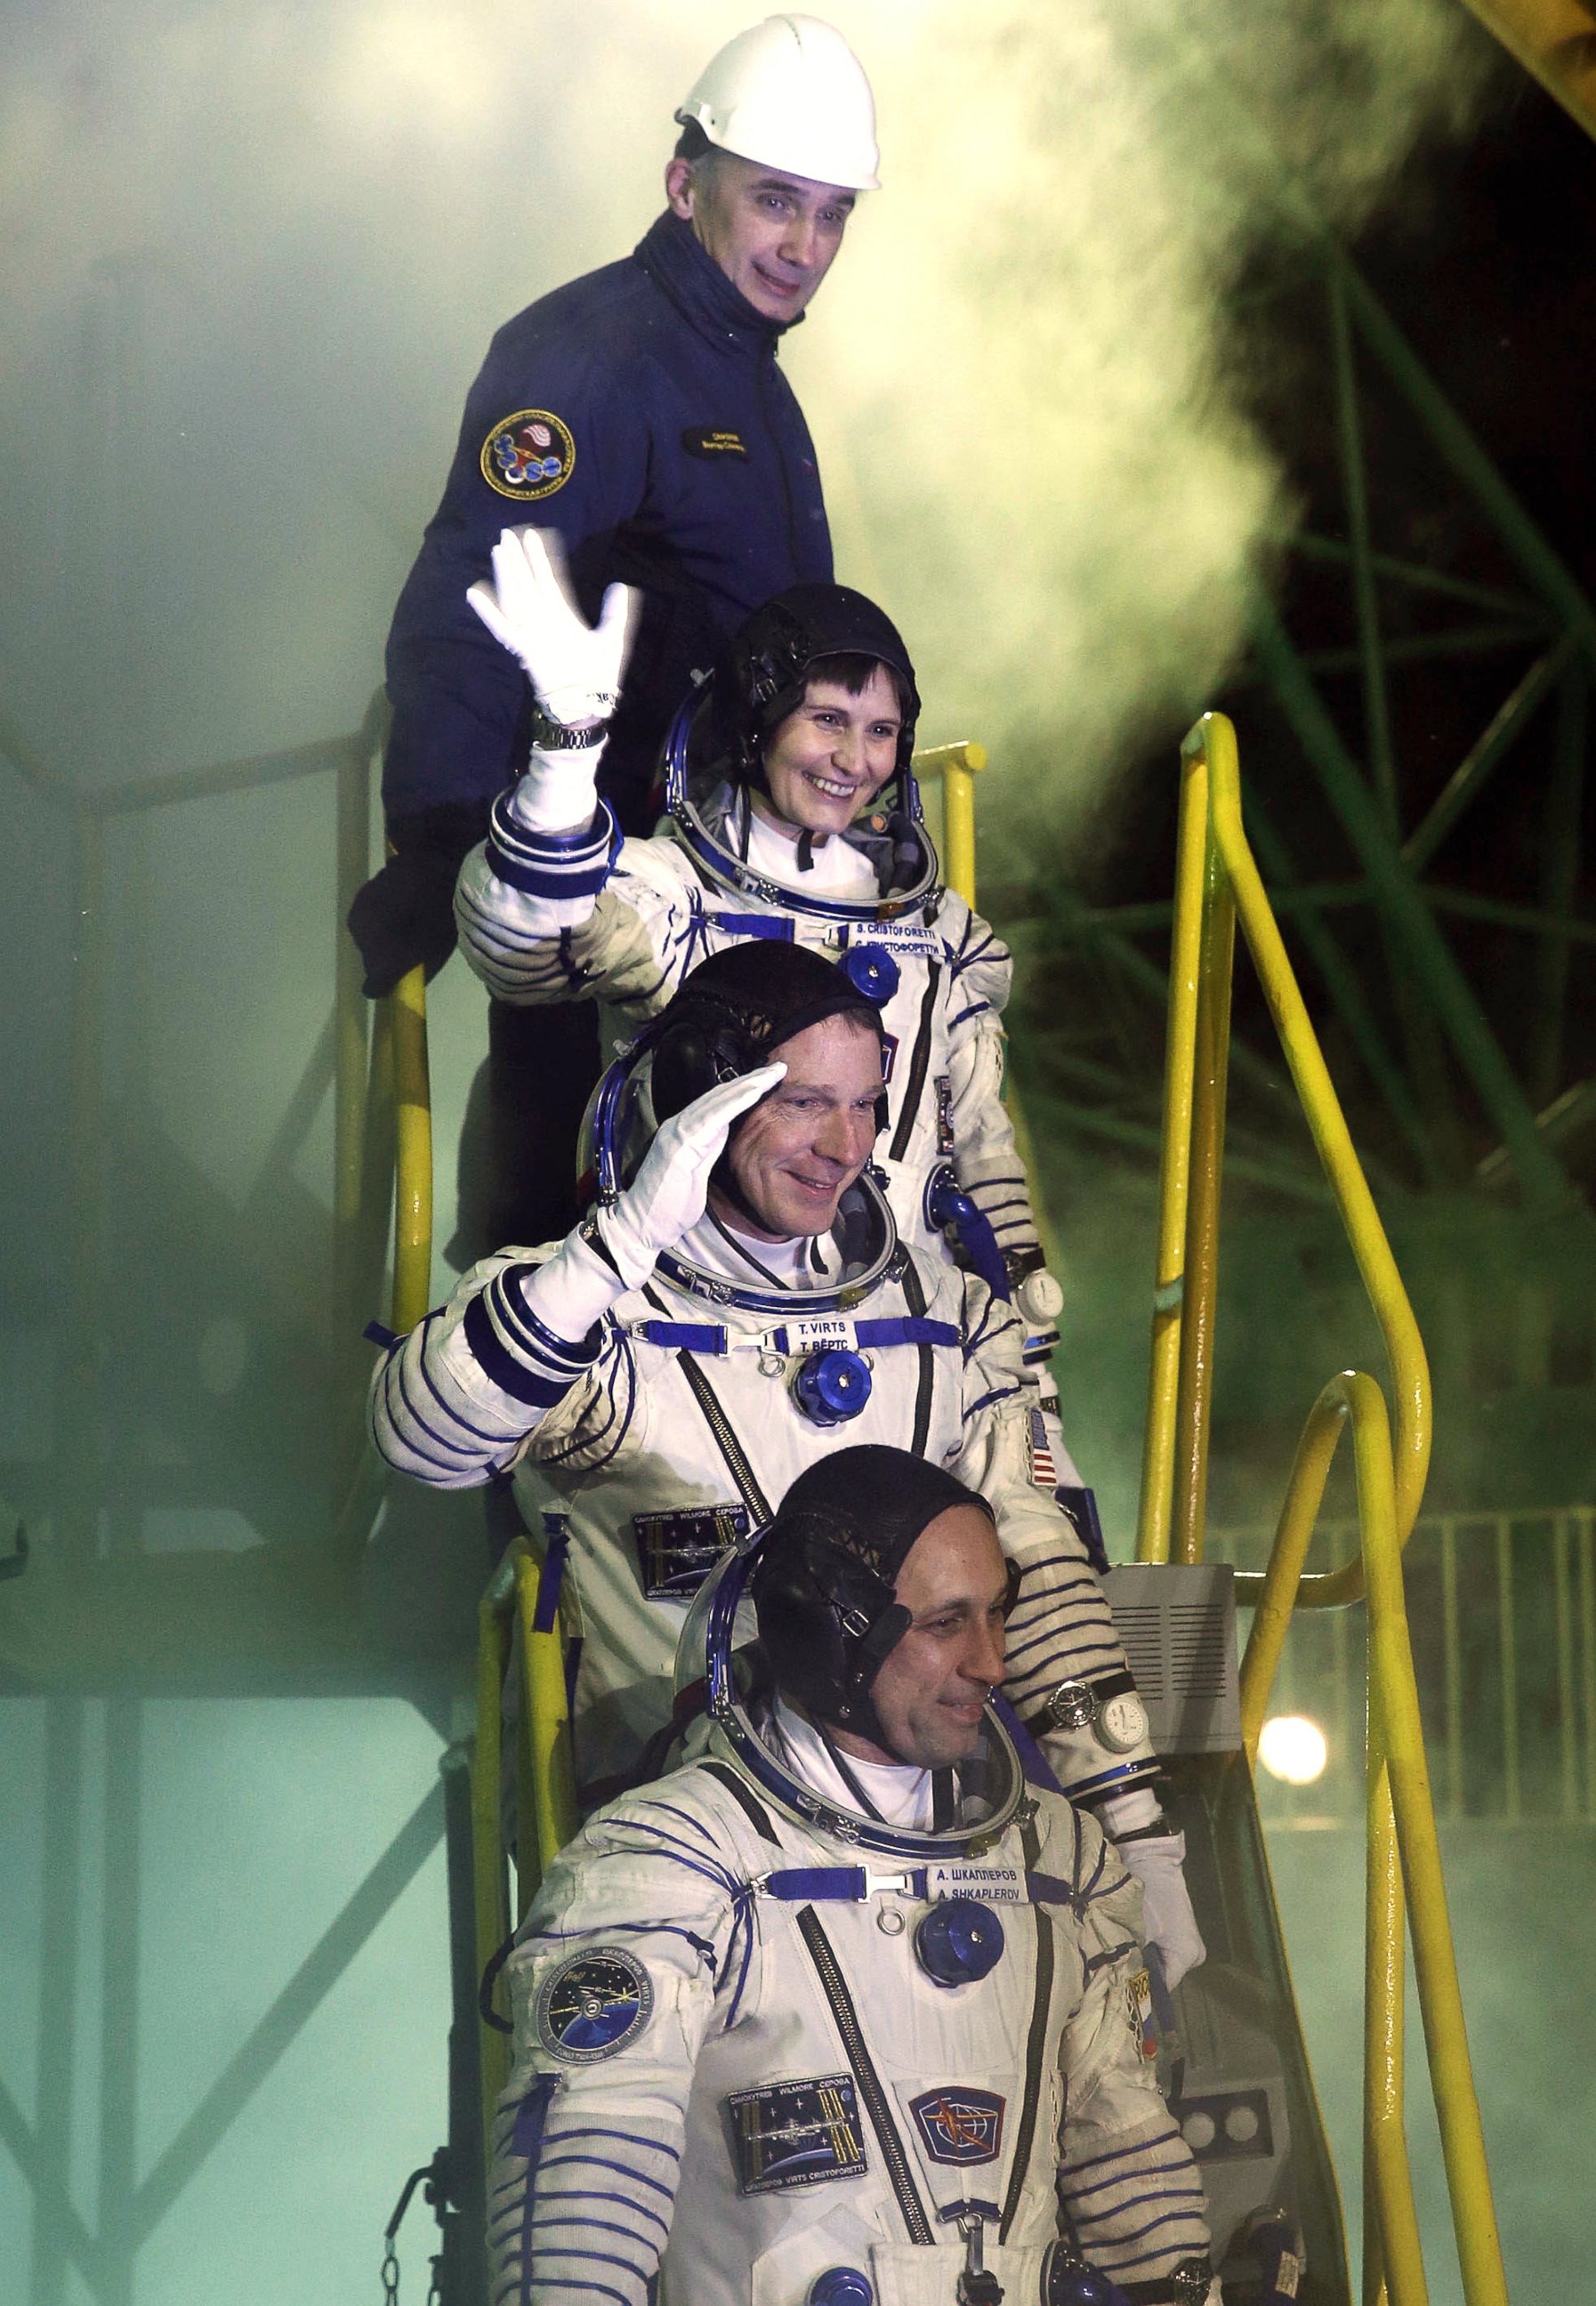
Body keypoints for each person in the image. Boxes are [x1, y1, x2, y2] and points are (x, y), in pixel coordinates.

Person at [369, 939, 1205, 1988]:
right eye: (805, 1102)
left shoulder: (947, 1317)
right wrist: (625, 1241)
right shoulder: (598, 1311)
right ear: (699, 1098)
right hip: (699, 1865)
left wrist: (1138, 1838)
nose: (844, 1146)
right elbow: (420, 1440)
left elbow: (1035, 1585)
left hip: (940, 1837)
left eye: (866, 1106)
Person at [348, 15, 881, 1241]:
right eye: (774, 203)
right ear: (684, 184)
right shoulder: (589, 356)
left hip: (726, 884)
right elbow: (474, 585)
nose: (804, 246)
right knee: (560, 1179)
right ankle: (500, 1400)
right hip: (599, 883)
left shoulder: (752, 373)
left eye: (832, 213)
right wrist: (435, 835)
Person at [486, 1448, 1218, 2306]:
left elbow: (1135, 2169)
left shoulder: (1063, 1865)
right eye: (947, 1624)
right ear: (832, 1632)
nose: (992, 1662)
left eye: (999, 1614)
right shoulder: (670, 1864)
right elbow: (577, 2233)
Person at [455, 535, 1065, 1332]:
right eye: (826, 720)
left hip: (903, 1334)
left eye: (881, 731)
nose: (854, 759)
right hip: (683, 1331)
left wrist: (1020, 1329)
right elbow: (523, 942)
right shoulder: (671, 891)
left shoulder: (940, 932)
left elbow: (979, 1142)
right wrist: (566, 751)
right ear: (756, 722)